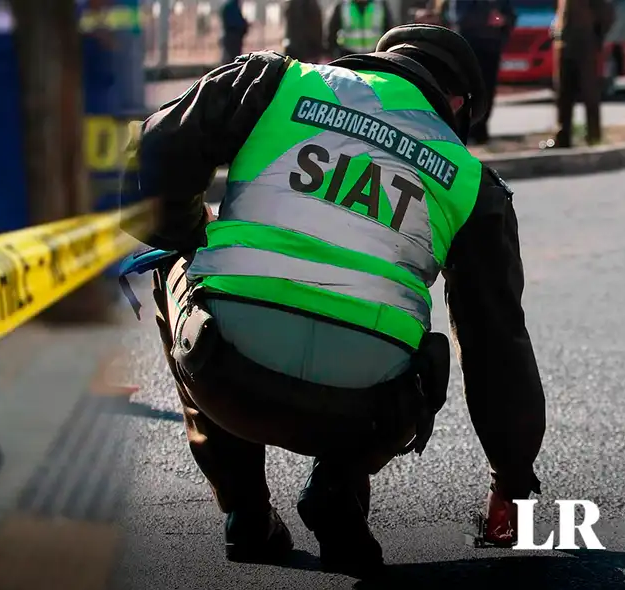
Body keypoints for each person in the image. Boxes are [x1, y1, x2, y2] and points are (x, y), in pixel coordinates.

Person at [120, 24, 546, 578]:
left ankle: (247, 514)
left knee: (175, 260)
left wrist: (191, 231)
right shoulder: (471, 182)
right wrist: (512, 482)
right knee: (406, 330)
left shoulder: (275, 81)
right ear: (459, 104)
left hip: (224, 375)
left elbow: (151, 160)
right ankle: (338, 490)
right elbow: (498, 346)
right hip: (367, 415)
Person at [431, 0, 517, 144]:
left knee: (487, 91)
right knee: (468, 91)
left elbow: (510, 15)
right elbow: (458, 17)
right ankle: (467, 131)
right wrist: (487, 18)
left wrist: (503, 20)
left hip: (492, 47)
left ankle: (481, 131)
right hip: (469, 48)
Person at [547, 0, 616, 148]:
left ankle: (593, 136)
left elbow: (606, 14)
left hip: (585, 45)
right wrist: (555, 28)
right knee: (563, 94)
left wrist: (595, 38)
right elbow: (559, 11)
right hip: (563, 44)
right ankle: (562, 137)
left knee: (589, 92)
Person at [325, 0, 394, 59]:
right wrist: (332, 55)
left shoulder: (380, 4)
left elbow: (390, 32)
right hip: (348, 55)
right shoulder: (342, 5)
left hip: (376, 55)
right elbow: (331, 34)